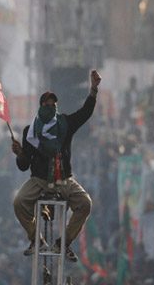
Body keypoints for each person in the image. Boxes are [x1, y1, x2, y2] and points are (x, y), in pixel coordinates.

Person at [11, 69, 101, 262]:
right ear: (40, 106)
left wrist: (93, 90)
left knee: (85, 203)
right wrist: (19, 153)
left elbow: (85, 113)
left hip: (64, 178)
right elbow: (24, 165)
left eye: (53, 105)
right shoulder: (30, 132)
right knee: (19, 202)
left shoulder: (65, 124)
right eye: (47, 105)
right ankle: (37, 238)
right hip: (39, 179)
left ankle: (63, 242)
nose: (50, 108)